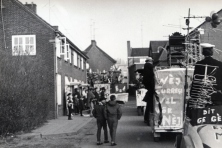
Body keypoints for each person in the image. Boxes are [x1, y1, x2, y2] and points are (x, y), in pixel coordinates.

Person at [187, 43, 222, 117]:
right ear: (212, 52)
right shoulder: (219, 64)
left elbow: (196, 80)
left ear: (203, 53)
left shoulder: (199, 64)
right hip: (216, 95)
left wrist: (193, 95)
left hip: (201, 95)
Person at [142, 57, 155, 125]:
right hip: (151, 88)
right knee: (151, 105)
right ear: (150, 61)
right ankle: (149, 119)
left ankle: (146, 118)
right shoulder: (150, 66)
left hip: (149, 88)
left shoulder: (146, 67)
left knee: (149, 105)